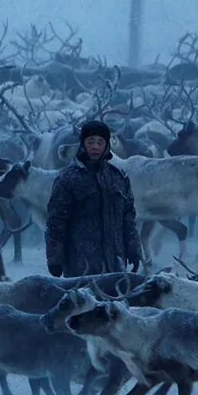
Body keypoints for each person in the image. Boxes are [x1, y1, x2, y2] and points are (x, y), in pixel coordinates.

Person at [44, 119, 143, 277]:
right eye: (90, 142)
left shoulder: (119, 178)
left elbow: (128, 218)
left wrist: (134, 250)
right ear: (83, 144)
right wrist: (55, 259)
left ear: (107, 145)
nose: (95, 147)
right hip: (81, 266)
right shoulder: (68, 179)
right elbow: (56, 222)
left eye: (100, 142)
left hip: (116, 265)